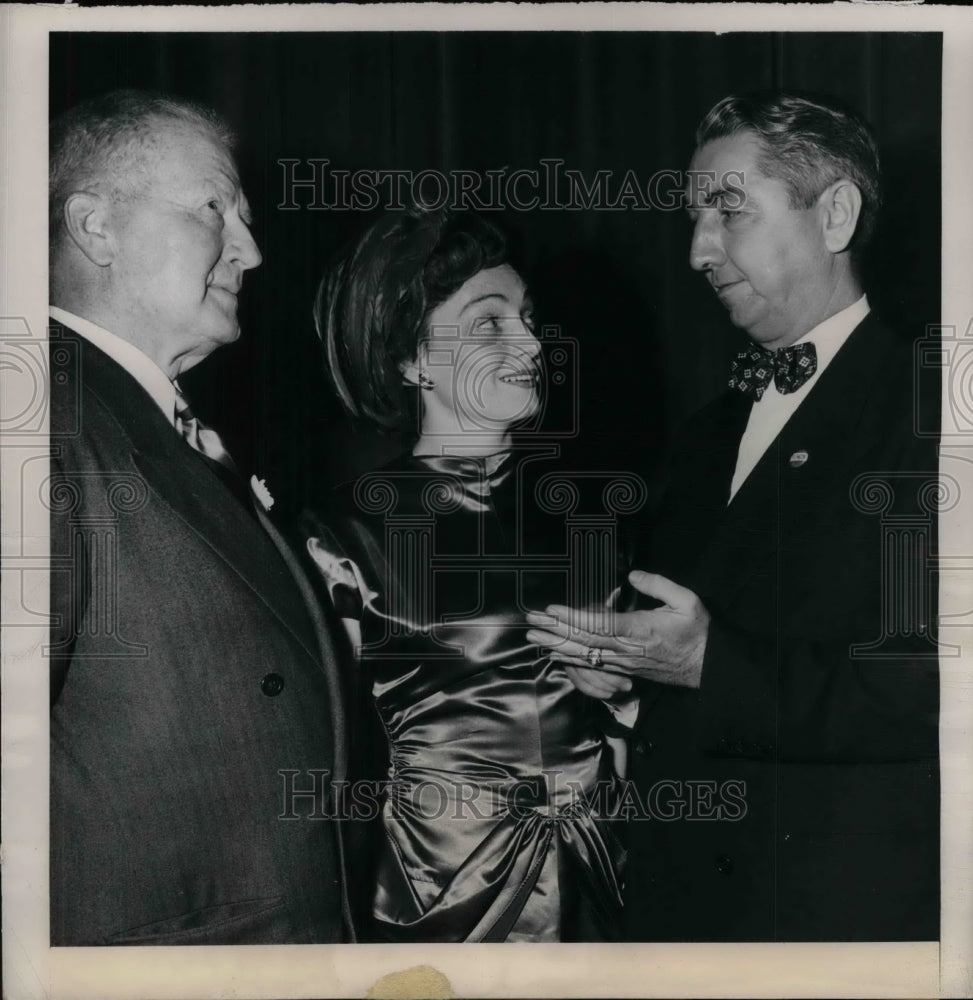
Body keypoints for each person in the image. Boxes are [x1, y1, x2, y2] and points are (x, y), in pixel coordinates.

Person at [527, 91, 940, 941]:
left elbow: (936, 689)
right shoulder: (705, 434)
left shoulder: (931, 415)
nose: (696, 250)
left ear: (833, 215)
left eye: (727, 212)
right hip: (681, 916)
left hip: (833, 928)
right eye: (693, 219)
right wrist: (632, 679)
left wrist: (707, 664)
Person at [48, 89, 353, 945]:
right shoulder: (40, 419)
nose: (251, 251)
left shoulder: (143, 418)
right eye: (214, 208)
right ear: (96, 227)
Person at [300, 208, 633, 942]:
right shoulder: (342, 533)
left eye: (529, 318)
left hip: (602, 887)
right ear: (410, 360)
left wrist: (631, 698)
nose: (531, 343)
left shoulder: (589, 514)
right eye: (489, 323)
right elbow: (324, 757)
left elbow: (625, 726)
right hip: (439, 902)